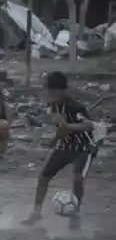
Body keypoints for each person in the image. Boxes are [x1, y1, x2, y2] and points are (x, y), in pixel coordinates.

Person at [22, 72, 96, 230]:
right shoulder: (52, 107)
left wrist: (68, 126)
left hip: (83, 147)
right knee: (43, 177)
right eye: (51, 91)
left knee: (77, 178)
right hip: (64, 146)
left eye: (56, 92)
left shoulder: (75, 107)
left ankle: (75, 214)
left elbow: (88, 125)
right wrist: (55, 139)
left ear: (64, 90)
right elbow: (61, 129)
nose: (53, 95)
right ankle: (36, 212)